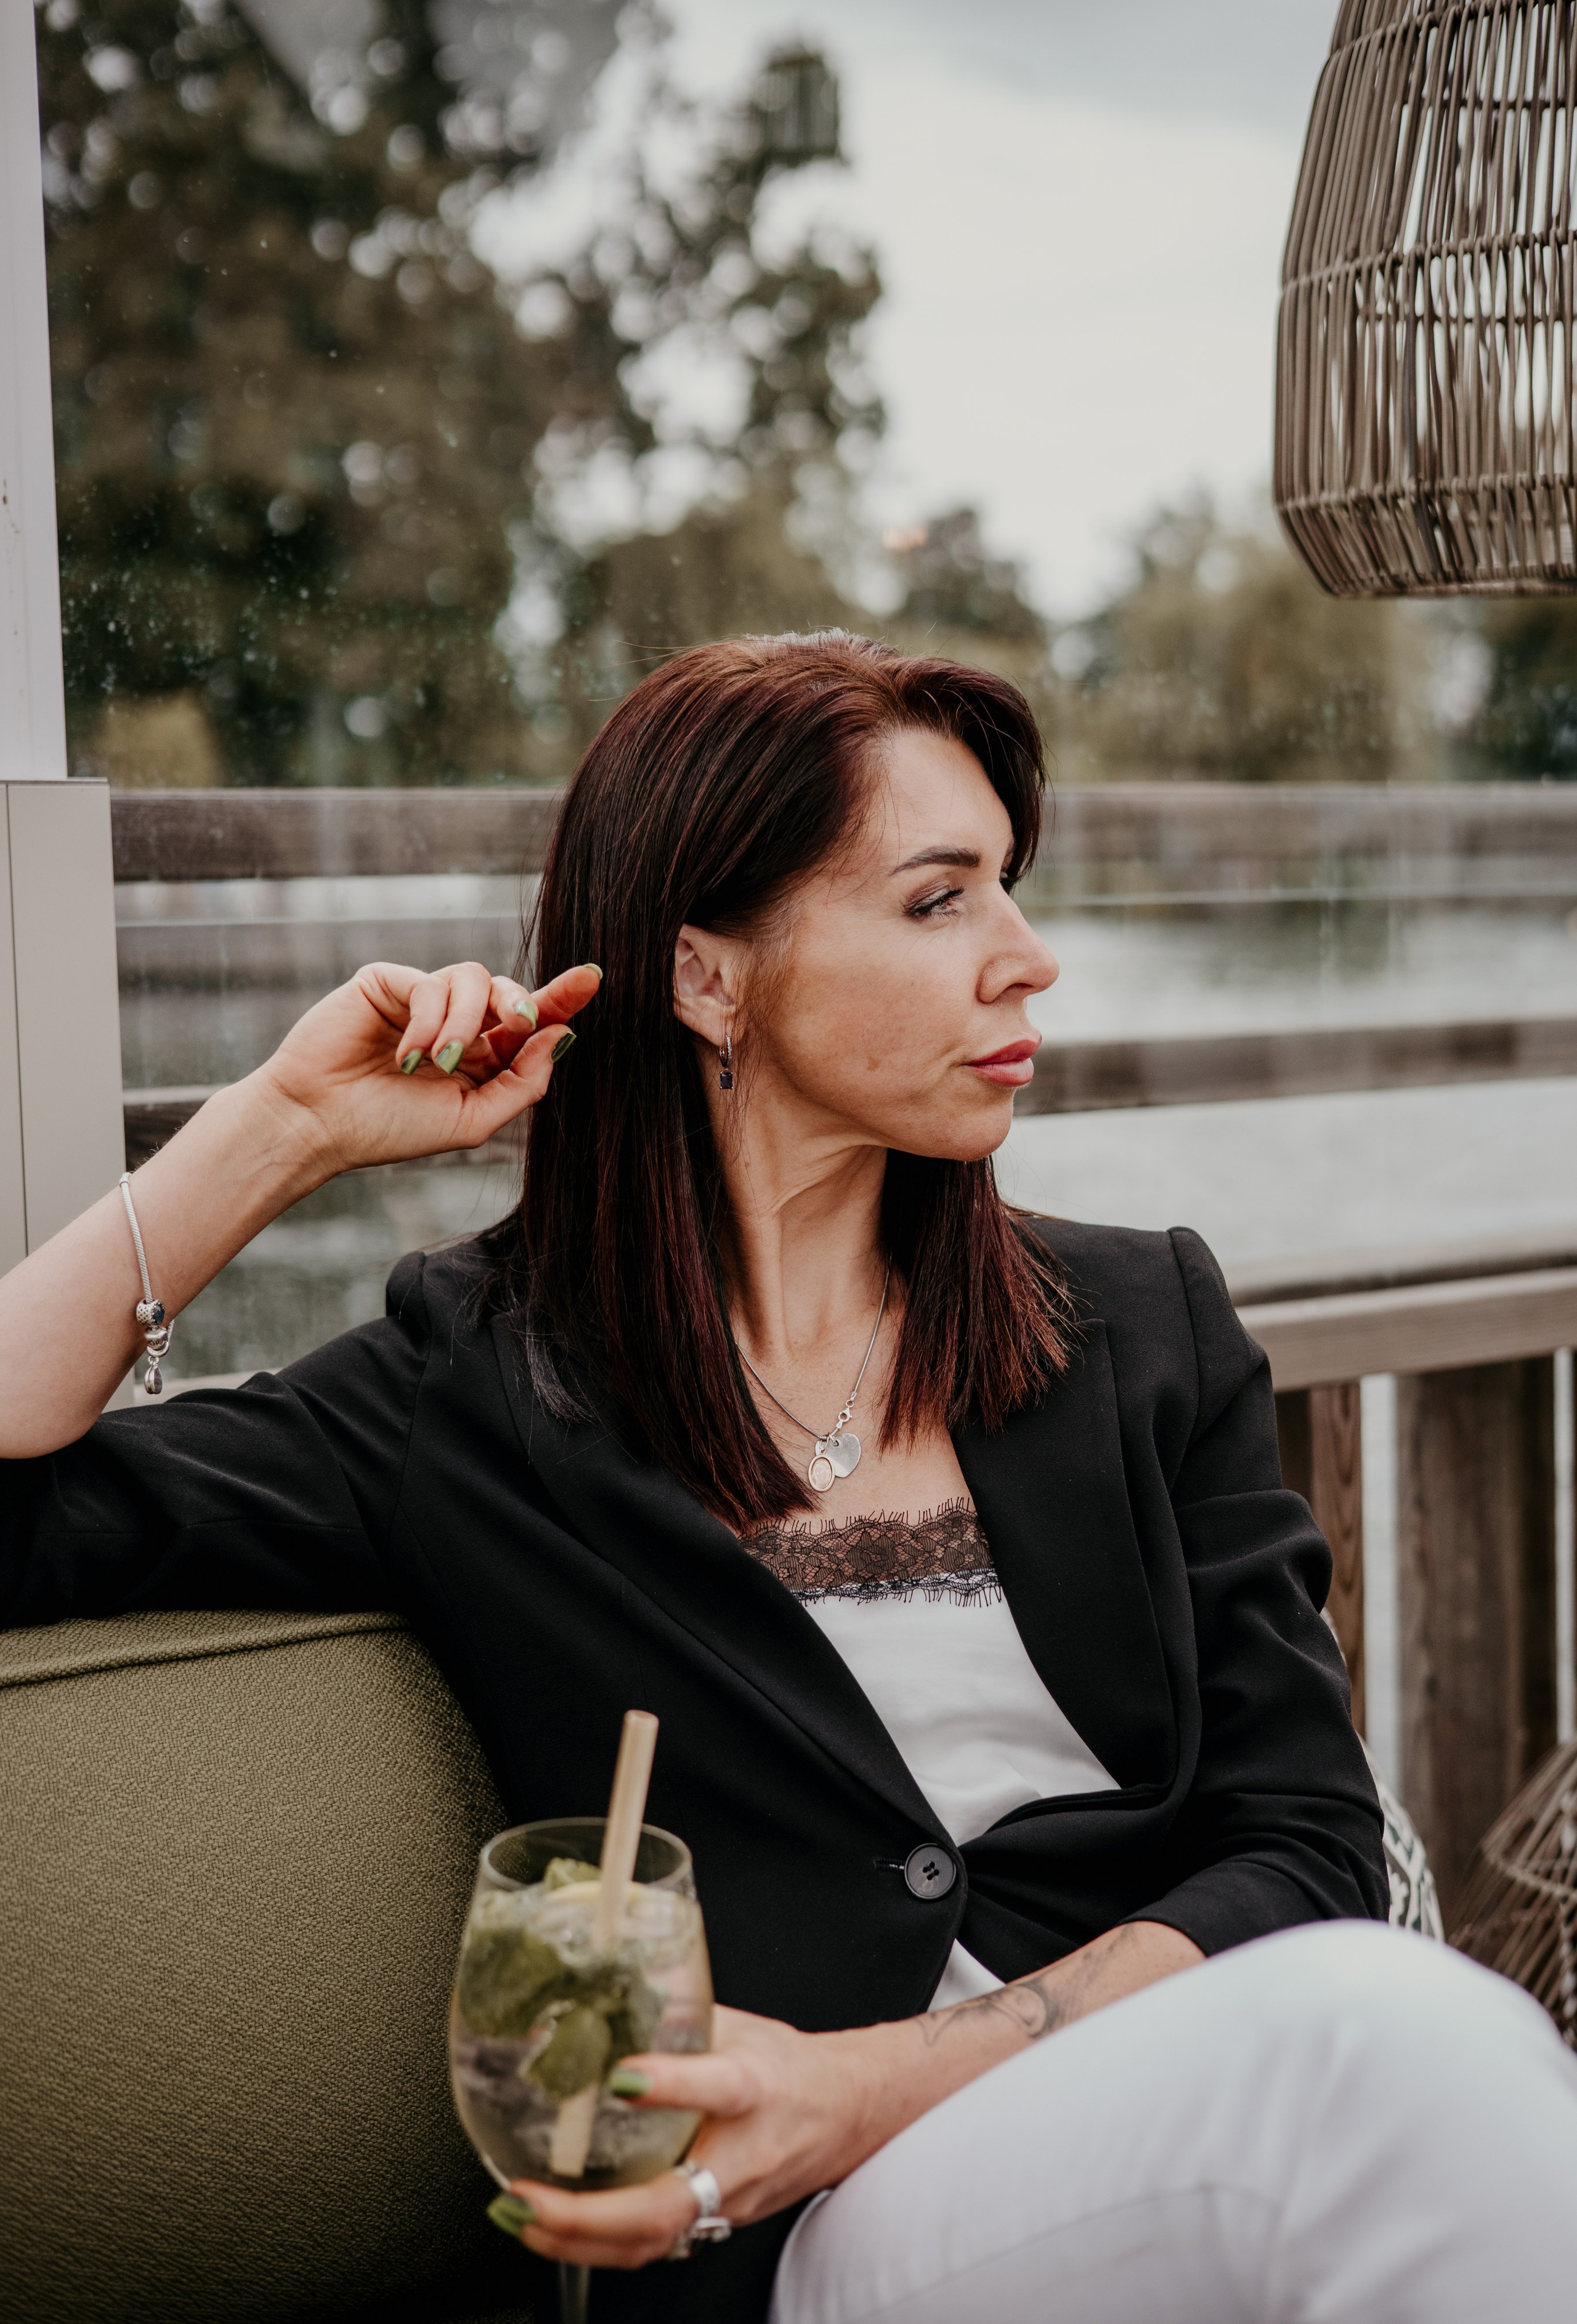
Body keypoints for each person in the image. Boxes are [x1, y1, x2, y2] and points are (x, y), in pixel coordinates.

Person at [2, 632, 1575, 2323]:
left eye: (1011, 891)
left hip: (1161, 2150)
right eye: (937, 899)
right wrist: (284, 1130)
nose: (1028, 958)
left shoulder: (1140, 1323)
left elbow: (1309, 1841)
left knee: (1386, 2054)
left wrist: (875, 2079)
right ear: (707, 976)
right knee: (1393, 2058)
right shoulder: (479, 1387)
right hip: (809, 2248)